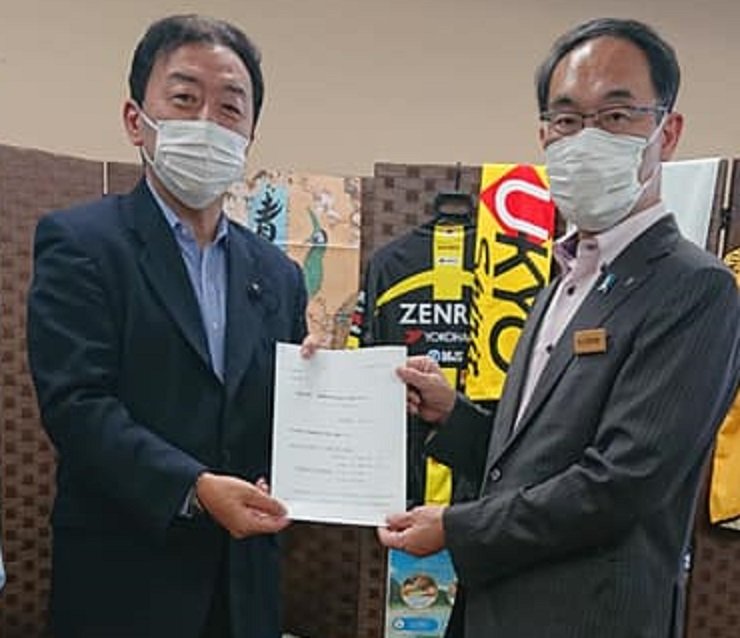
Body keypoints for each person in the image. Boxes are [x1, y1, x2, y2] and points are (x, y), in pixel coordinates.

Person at [378, 17, 740, 638]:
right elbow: (530, 460)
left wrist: (456, 528)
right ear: (544, 134)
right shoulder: (562, 283)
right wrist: (452, 414)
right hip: (497, 611)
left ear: (668, 131)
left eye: (616, 116)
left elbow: (620, 483)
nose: (587, 139)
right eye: (568, 119)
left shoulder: (694, 288)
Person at [26, 14, 314, 638]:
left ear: (250, 133)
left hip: (243, 589)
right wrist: (194, 488)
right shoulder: (81, 244)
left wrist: (319, 385)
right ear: (137, 120)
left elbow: (275, 424)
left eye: (230, 106)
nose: (208, 122)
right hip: (125, 583)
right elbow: (77, 406)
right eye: (185, 99)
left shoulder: (278, 275)